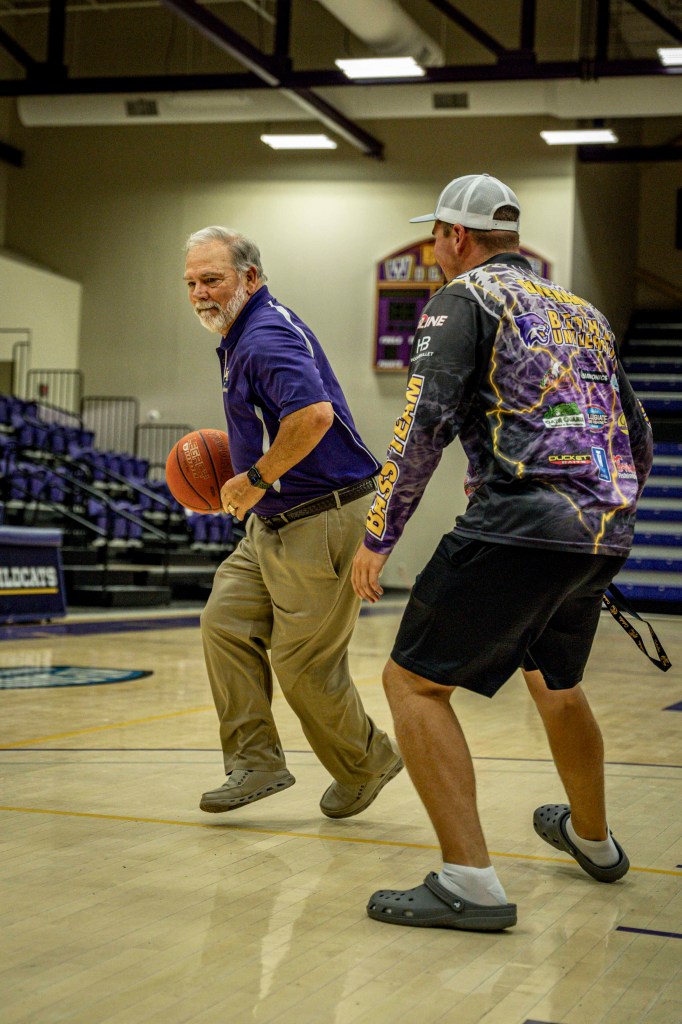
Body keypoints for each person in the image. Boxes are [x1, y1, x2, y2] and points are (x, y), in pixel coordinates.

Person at [352, 173, 653, 931]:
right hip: (601, 528)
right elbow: (638, 434)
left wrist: (379, 535)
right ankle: (594, 839)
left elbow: (422, 424)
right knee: (556, 683)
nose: (434, 248)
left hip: (516, 524)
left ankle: (470, 882)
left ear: (456, 236)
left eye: (435, 235)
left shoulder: (462, 299)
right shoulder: (583, 311)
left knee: (412, 685)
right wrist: (601, 521)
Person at [184, 226, 402, 817]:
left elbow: (313, 416)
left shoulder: (265, 336)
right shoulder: (240, 334)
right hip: (275, 520)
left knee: (303, 664)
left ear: (250, 277)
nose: (200, 293)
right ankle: (256, 761)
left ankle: (367, 761)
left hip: (323, 515)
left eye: (212, 280)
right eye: (192, 283)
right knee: (225, 622)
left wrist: (253, 478)